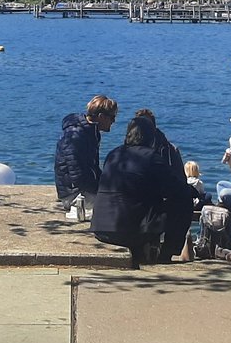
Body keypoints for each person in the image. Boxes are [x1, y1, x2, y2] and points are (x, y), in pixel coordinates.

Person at [91, 115, 191, 266]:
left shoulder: (113, 154)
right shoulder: (151, 157)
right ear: (151, 138)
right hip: (128, 230)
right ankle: (166, 254)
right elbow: (177, 189)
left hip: (100, 227)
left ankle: (148, 251)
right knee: (184, 202)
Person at [134, 108, 195, 262]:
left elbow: (176, 181)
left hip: (157, 198)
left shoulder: (167, 150)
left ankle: (167, 251)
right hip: (142, 199)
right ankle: (166, 251)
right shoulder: (164, 149)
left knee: (182, 202)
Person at [55, 94, 119, 210]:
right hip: (74, 194)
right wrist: (100, 191)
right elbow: (77, 175)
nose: (113, 121)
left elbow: (92, 168)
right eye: (112, 117)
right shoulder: (75, 136)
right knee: (117, 205)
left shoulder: (92, 133)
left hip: (83, 189)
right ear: (101, 116)